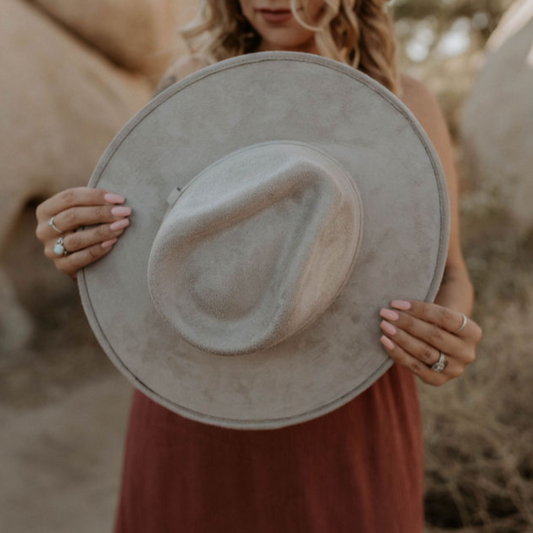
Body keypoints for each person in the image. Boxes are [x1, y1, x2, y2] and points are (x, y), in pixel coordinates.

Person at [35, 1, 483, 531]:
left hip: (348, 410)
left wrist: (446, 337)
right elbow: (141, 243)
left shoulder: (405, 104)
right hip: (195, 397)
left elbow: (450, 274)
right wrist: (76, 246)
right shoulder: (189, 88)